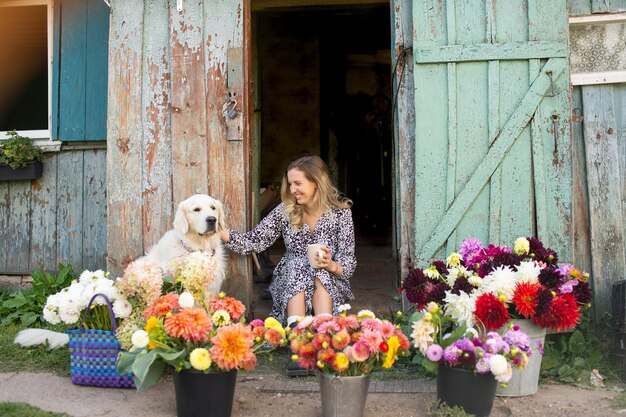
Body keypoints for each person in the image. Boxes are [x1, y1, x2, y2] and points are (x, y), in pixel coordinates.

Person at [219, 155, 356, 376]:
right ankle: (299, 346)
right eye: (290, 183)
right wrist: (222, 233)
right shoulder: (286, 211)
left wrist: (331, 265)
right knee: (298, 264)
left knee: (320, 271)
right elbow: (256, 240)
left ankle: (325, 343)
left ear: (316, 182)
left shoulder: (341, 214)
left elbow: (348, 264)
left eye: (298, 183)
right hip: (292, 283)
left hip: (329, 284)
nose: (292, 189)